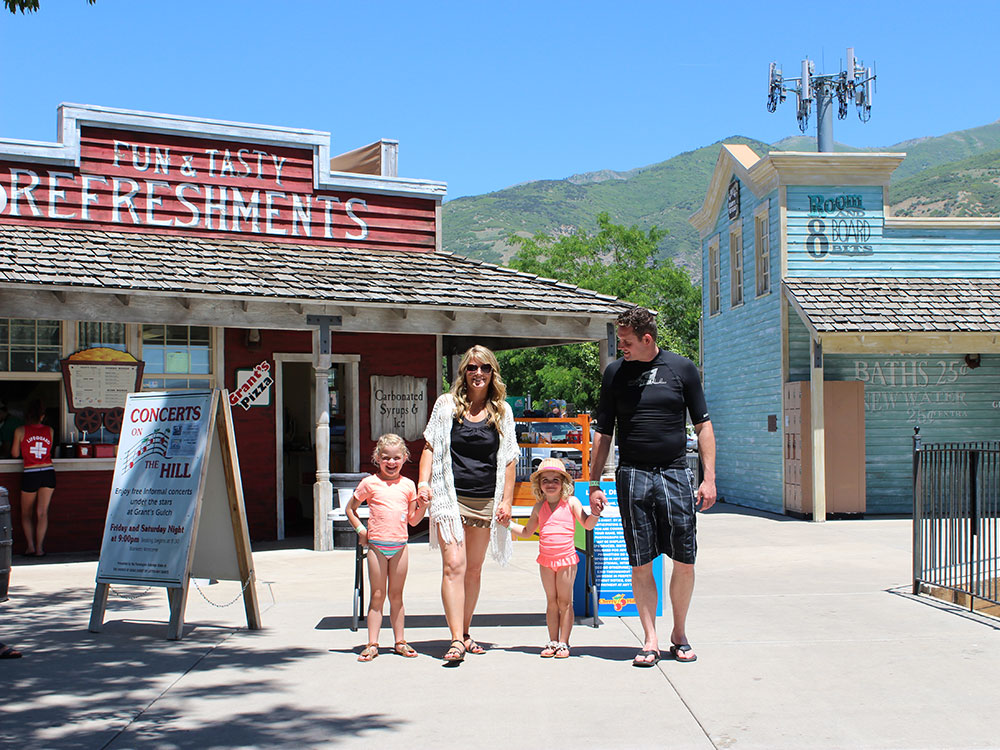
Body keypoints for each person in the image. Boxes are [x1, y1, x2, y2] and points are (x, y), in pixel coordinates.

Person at [588, 307, 716, 667]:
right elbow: (603, 432)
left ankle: (679, 634)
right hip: (632, 475)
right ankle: (650, 639)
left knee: (684, 560)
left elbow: (703, 426)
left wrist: (709, 478)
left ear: (648, 339)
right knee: (641, 561)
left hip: (675, 473)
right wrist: (594, 482)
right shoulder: (614, 374)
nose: (621, 348)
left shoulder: (682, 369)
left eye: (626, 342)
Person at [417, 345, 519, 663]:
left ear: (492, 373)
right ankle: (455, 640)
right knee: (454, 567)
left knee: (473, 570)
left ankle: (464, 631)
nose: (478, 373)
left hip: (486, 500)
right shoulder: (446, 405)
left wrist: (507, 501)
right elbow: (430, 446)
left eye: (484, 368)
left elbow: (510, 459)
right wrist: (423, 483)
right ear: (463, 371)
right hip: (451, 498)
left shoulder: (502, 410)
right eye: (472, 367)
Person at [346, 434, 427, 662]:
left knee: (397, 596)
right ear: (377, 459)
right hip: (377, 547)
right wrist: (361, 531)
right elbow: (350, 509)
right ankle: (372, 643)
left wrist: (423, 506)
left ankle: (400, 641)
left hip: (400, 546)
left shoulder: (408, 486)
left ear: (404, 459)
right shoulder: (369, 483)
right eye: (386, 458)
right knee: (377, 596)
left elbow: (413, 520)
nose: (391, 463)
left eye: (396, 458)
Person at [508, 457, 600, 658]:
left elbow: (588, 525)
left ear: (564, 483)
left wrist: (595, 513)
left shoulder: (572, 503)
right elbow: (525, 532)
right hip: (546, 560)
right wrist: (507, 524)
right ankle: (552, 641)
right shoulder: (538, 507)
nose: (550, 484)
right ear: (539, 485)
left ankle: (564, 643)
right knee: (551, 602)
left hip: (566, 559)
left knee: (565, 602)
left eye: (555, 480)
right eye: (545, 480)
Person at [11, 400, 55, 558]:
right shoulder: (50, 430)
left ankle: (30, 546)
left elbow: (15, 454)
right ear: (42, 416)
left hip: (31, 472)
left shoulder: (20, 430)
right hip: (48, 472)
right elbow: (49, 450)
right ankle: (40, 549)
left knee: (26, 513)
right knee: (42, 512)